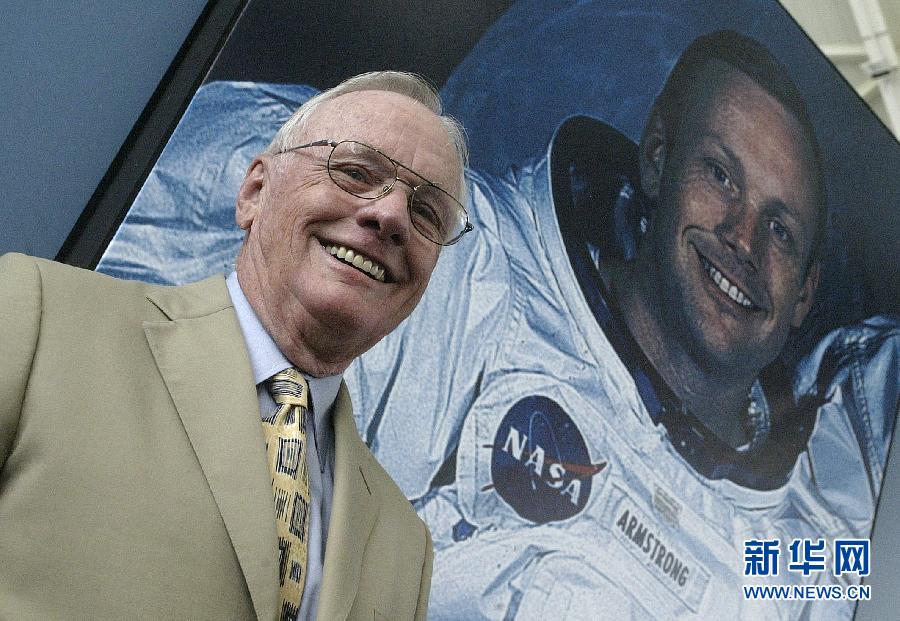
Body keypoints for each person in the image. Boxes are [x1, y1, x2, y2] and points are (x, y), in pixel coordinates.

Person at [343, 32, 899, 619]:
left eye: (781, 230)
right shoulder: (467, 286)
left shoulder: (795, 553)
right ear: (658, 160)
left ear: (806, 294)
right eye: (721, 176)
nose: (743, 239)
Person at [0, 71, 471, 620]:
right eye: (354, 171)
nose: (390, 215)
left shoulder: (404, 546)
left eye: (427, 214)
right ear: (254, 192)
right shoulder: (41, 320)